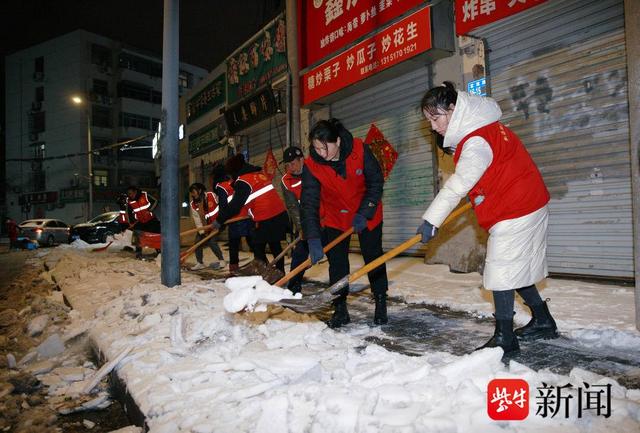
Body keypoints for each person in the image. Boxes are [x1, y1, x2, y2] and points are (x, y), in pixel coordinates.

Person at [417, 81, 558, 355]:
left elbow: (459, 182)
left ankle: (505, 338)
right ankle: (543, 320)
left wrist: (432, 219)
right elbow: (489, 174)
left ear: (453, 109)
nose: (433, 126)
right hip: (528, 202)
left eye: (436, 118)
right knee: (516, 267)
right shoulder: (486, 128)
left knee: (501, 273)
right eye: (429, 121)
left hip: (517, 209)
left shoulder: (476, 141)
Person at [301, 118, 388, 328]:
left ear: (337, 141)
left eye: (324, 147)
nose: (320, 153)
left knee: (373, 257)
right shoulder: (312, 165)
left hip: (366, 212)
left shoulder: (359, 149)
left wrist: (365, 212)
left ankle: (380, 300)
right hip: (336, 217)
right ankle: (340, 308)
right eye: (316, 148)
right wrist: (312, 237)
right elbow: (309, 203)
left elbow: (376, 182)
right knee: (338, 263)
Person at [214, 154, 289, 274]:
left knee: (258, 246)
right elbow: (249, 202)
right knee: (275, 245)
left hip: (266, 217)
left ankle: (266, 272)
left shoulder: (243, 181)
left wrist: (219, 220)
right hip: (280, 214)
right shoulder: (258, 175)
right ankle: (279, 272)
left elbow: (235, 206)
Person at [280, 146, 308, 294]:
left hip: (326, 220)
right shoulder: (286, 180)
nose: (290, 168)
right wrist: (301, 227)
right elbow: (293, 207)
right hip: (306, 222)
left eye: (293, 163)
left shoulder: (314, 170)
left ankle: (338, 293)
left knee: (334, 255)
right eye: (287, 165)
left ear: (301, 159)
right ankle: (293, 288)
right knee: (299, 255)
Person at [214, 172, 254, 276]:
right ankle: (262, 263)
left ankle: (233, 270)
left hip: (234, 217)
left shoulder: (221, 187)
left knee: (233, 244)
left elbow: (223, 205)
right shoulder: (236, 182)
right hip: (246, 215)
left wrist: (221, 222)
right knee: (252, 241)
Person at [188, 182, 226, 271]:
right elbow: (197, 219)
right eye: (191, 193)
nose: (192, 195)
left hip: (217, 223)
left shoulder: (211, 195)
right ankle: (200, 263)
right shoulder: (193, 204)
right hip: (204, 227)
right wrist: (202, 232)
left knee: (212, 242)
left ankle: (221, 260)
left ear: (199, 190)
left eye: (194, 192)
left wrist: (222, 219)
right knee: (197, 242)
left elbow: (223, 205)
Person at [125, 185, 161, 259]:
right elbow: (128, 212)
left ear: (135, 191)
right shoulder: (129, 201)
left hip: (151, 219)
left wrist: (150, 210)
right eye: (129, 194)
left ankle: (159, 251)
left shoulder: (144, 195)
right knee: (137, 235)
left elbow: (155, 201)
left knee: (154, 235)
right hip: (140, 221)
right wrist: (131, 222)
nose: (130, 195)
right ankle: (138, 252)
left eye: (131, 193)